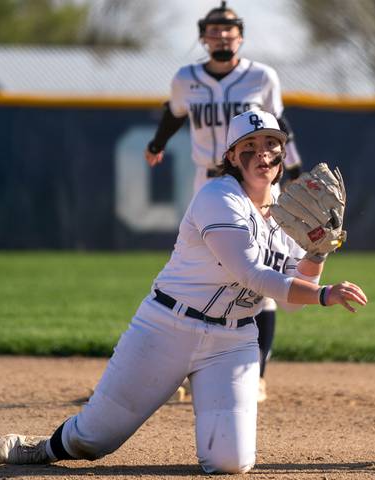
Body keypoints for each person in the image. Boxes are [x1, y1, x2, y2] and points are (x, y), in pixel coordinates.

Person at [0, 109, 367, 474]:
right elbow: (251, 274)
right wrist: (323, 295)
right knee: (93, 440)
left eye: (271, 143)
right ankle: (46, 447)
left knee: (231, 462)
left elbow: (292, 302)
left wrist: (318, 252)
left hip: (232, 341)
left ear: (282, 154)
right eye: (249, 145)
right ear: (232, 156)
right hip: (167, 327)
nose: (262, 152)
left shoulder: (291, 216)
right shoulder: (218, 197)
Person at [144, 1, 302, 402]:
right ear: (203, 37)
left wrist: (295, 176)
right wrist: (157, 144)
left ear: (241, 36)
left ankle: (258, 374)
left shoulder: (262, 76)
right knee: (200, 273)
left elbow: (279, 130)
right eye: (214, 31)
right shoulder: (186, 77)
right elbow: (174, 112)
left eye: (228, 31)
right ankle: (185, 367)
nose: (221, 36)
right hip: (209, 183)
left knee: (260, 276)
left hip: (261, 183)